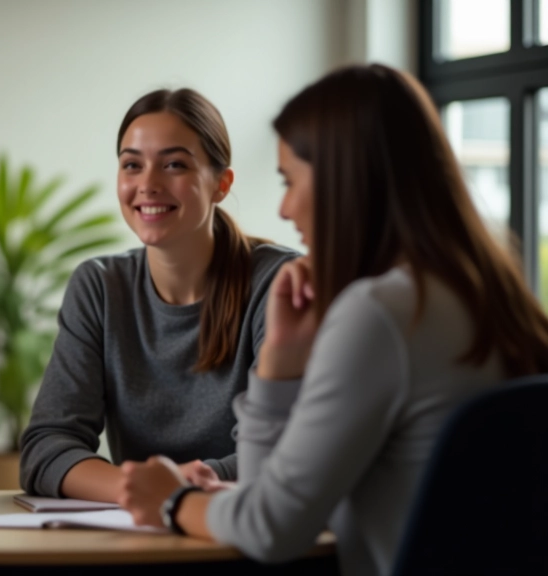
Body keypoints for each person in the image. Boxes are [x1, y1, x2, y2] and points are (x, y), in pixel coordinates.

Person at [118, 64, 548, 576]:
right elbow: (270, 501)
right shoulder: (487, 295)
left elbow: (270, 527)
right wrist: (279, 364)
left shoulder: (380, 315)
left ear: (346, 180)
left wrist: (173, 501)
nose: (284, 207)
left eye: (290, 180)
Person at [19, 88, 297, 502]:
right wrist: (138, 490)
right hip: (142, 540)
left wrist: (173, 490)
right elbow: (46, 448)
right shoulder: (99, 286)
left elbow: (282, 451)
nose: (148, 184)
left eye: (174, 164)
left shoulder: (279, 283)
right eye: (132, 165)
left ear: (221, 183)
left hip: (245, 538)